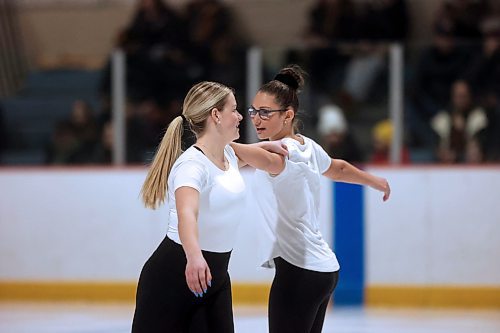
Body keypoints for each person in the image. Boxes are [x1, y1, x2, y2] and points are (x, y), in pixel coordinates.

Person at [230, 64, 391, 333]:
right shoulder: (307, 145)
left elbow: (230, 151)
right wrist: (375, 181)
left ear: (288, 115)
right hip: (323, 270)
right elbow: (337, 168)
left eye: (265, 112)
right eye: (254, 111)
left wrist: (214, 129)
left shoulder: (279, 155)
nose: (256, 119)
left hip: (299, 271)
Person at [131, 81, 286, 333]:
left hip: (215, 278)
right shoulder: (191, 166)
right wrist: (193, 257)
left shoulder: (228, 155)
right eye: (234, 110)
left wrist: (277, 146)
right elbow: (187, 214)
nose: (239, 116)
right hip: (175, 276)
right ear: (216, 115)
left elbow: (265, 159)